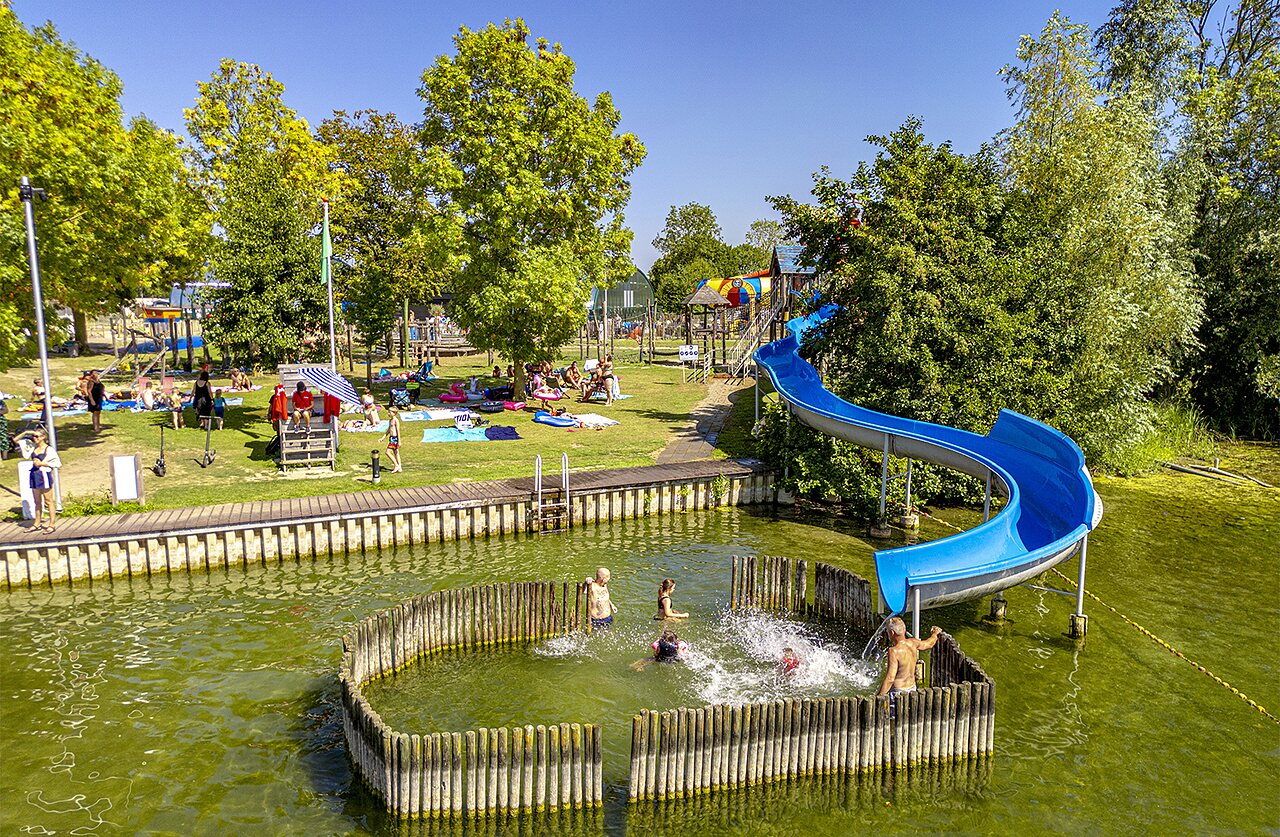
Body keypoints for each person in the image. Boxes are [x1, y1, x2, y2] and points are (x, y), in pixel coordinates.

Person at [877, 617, 942, 712]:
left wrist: (879, 697)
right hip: (912, 689)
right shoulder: (913, 642)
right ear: (904, 630)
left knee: (894, 718)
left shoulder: (893, 651)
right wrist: (935, 634)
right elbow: (929, 644)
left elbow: (890, 678)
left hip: (898, 692)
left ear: (892, 633)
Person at [28, 429, 61, 532]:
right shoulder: (33, 448)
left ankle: (52, 524)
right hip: (34, 474)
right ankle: (37, 523)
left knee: (48, 500)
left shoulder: (49, 449)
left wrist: (42, 463)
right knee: (37, 501)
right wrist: (25, 433)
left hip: (44, 475)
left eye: (37, 436)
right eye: (33, 436)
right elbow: (16, 441)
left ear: (43, 437)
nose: (35, 438)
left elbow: (57, 463)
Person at [381, 406, 403, 473]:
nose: (388, 413)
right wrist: (383, 437)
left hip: (395, 438)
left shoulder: (396, 420)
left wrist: (399, 441)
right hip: (391, 438)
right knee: (396, 452)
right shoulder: (390, 420)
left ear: (394, 413)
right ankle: (399, 467)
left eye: (389, 412)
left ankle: (396, 465)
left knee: (387, 452)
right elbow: (389, 430)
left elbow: (398, 430)